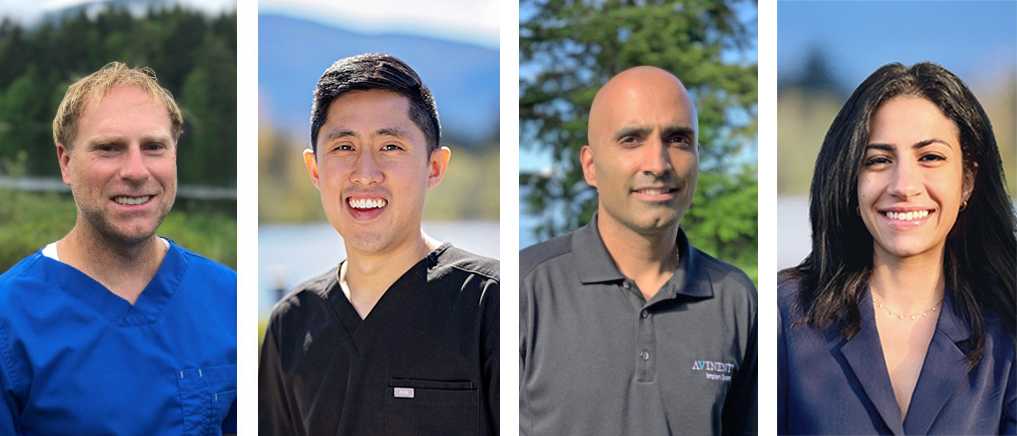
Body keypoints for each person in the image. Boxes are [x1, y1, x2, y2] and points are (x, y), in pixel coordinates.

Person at [258, 53, 499, 436]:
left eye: (390, 146)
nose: (365, 174)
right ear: (315, 169)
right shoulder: (291, 323)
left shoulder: (490, 304)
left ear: (434, 167)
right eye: (344, 147)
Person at [777, 62, 1017, 435]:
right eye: (878, 160)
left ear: (967, 181)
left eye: (930, 157)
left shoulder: (1008, 330)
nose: (904, 185)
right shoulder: (784, 317)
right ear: (851, 182)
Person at [0, 62, 237, 435]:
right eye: (109, 148)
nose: (136, 170)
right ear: (65, 162)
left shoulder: (229, 297)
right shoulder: (9, 316)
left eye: (153, 146)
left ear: (174, 154)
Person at [519, 66, 757, 435]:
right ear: (591, 166)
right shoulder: (524, 289)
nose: (658, 164)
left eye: (678, 139)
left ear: (698, 156)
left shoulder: (736, 299)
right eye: (632, 139)